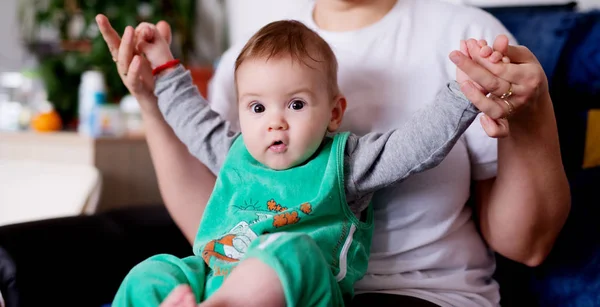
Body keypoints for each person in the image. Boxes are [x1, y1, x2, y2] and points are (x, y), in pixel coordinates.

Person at [96, 0, 571, 306]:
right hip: (225, 272)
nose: (274, 121)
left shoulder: (345, 162)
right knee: (153, 272)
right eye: (257, 108)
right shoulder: (244, 100)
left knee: (287, 252)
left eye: (296, 105)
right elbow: (195, 128)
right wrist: (158, 79)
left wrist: (462, 91)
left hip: (381, 290)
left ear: (335, 112)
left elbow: (413, 146)